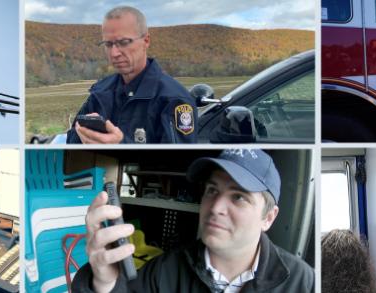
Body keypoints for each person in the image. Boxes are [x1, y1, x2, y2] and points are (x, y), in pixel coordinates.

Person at [71, 149, 314, 292]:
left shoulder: (304, 282)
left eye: (238, 197)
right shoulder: (164, 270)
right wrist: (103, 283)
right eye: (211, 190)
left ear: (268, 218)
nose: (216, 207)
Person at [66, 6, 197, 144]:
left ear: (146, 41)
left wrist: (120, 146)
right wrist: (83, 136)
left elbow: (179, 162)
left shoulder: (174, 100)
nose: (114, 53)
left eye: (124, 42)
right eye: (108, 44)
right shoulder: (100, 92)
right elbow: (71, 143)